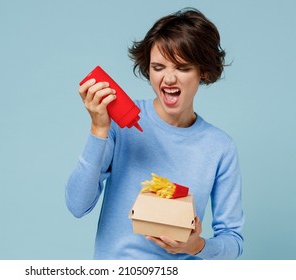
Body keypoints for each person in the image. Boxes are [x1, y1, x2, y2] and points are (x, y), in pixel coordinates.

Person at [65, 7, 244, 260]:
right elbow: (77, 205)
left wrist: (195, 246)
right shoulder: (117, 124)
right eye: (158, 67)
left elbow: (233, 241)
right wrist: (99, 128)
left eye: (182, 68)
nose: (168, 78)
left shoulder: (220, 147)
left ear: (202, 71)